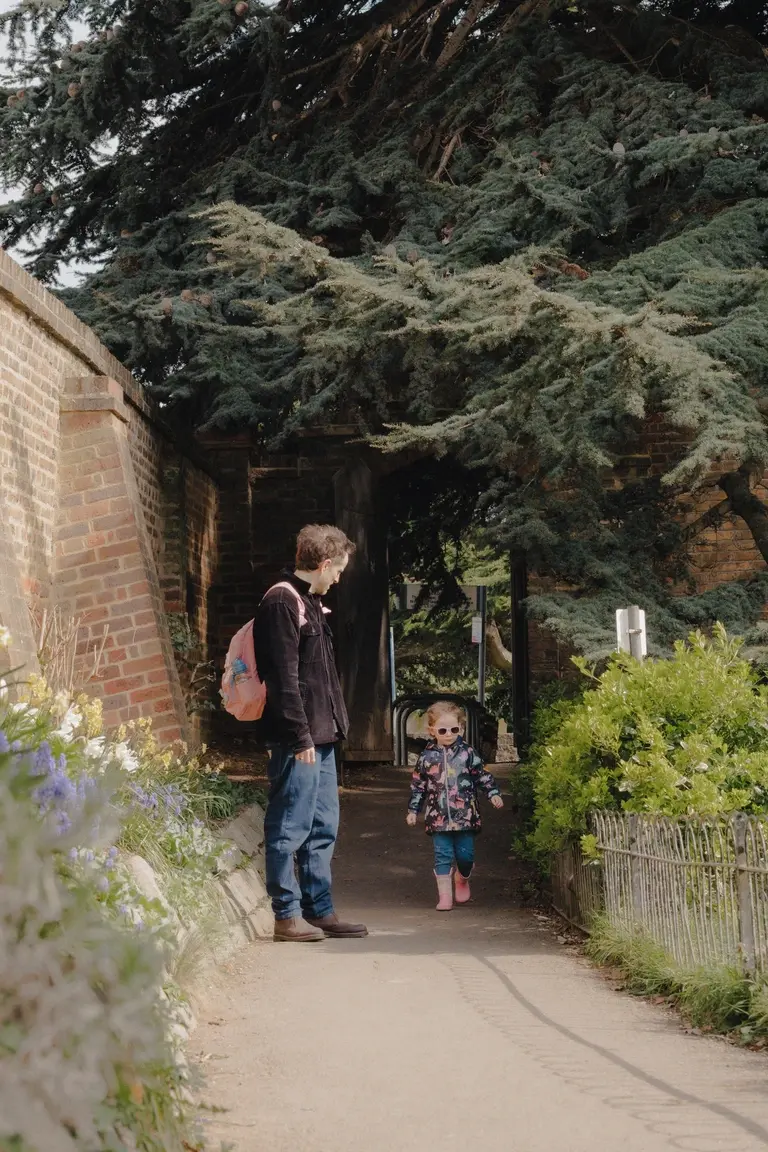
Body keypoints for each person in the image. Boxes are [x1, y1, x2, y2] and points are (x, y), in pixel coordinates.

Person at [253, 524, 368, 942]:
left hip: (321, 734)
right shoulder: (282, 601)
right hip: (297, 738)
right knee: (289, 824)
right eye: (337, 570)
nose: (338, 577)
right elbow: (283, 679)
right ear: (322, 565)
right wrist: (300, 737)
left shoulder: (310, 600)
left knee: (323, 825)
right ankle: (286, 916)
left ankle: (319, 910)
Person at [406, 700, 503, 911]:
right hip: (437, 817)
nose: (449, 734)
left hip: (465, 816)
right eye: (443, 729)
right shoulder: (426, 757)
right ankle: (445, 897)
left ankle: (462, 877)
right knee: (442, 855)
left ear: (462, 728)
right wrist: (413, 810)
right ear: (432, 731)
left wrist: (493, 793)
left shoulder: (468, 753)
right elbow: (418, 785)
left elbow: (482, 776)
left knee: (465, 856)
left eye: (454, 729)